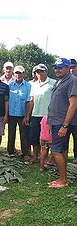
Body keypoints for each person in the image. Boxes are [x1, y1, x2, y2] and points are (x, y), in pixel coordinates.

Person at [47, 58, 77, 188]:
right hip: (56, 121)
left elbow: (73, 104)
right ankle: (63, 177)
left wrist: (65, 126)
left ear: (68, 68)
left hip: (62, 122)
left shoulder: (72, 81)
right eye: (56, 67)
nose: (57, 70)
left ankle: (63, 180)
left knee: (56, 151)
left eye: (60, 67)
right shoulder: (60, 81)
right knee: (62, 150)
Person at [27, 64, 56, 164]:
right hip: (35, 114)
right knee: (34, 137)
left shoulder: (53, 83)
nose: (39, 73)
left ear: (46, 72)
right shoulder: (34, 85)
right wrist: (28, 115)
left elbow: (56, 100)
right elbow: (31, 100)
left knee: (49, 138)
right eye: (37, 72)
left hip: (48, 115)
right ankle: (36, 156)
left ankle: (50, 158)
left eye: (41, 71)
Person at [7, 65, 31, 161]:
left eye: (20, 73)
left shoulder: (28, 86)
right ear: (14, 74)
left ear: (23, 74)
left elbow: (29, 101)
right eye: (16, 73)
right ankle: (10, 151)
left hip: (22, 114)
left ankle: (25, 153)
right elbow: (7, 101)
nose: (18, 75)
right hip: (12, 114)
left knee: (24, 134)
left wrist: (27, 116)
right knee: (11, 134)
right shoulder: (10, 86)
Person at [69, 59, 77, 163]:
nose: (71, 70)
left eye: (73, 67)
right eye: (69, 68)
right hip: (66, 115)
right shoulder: (65, 80)